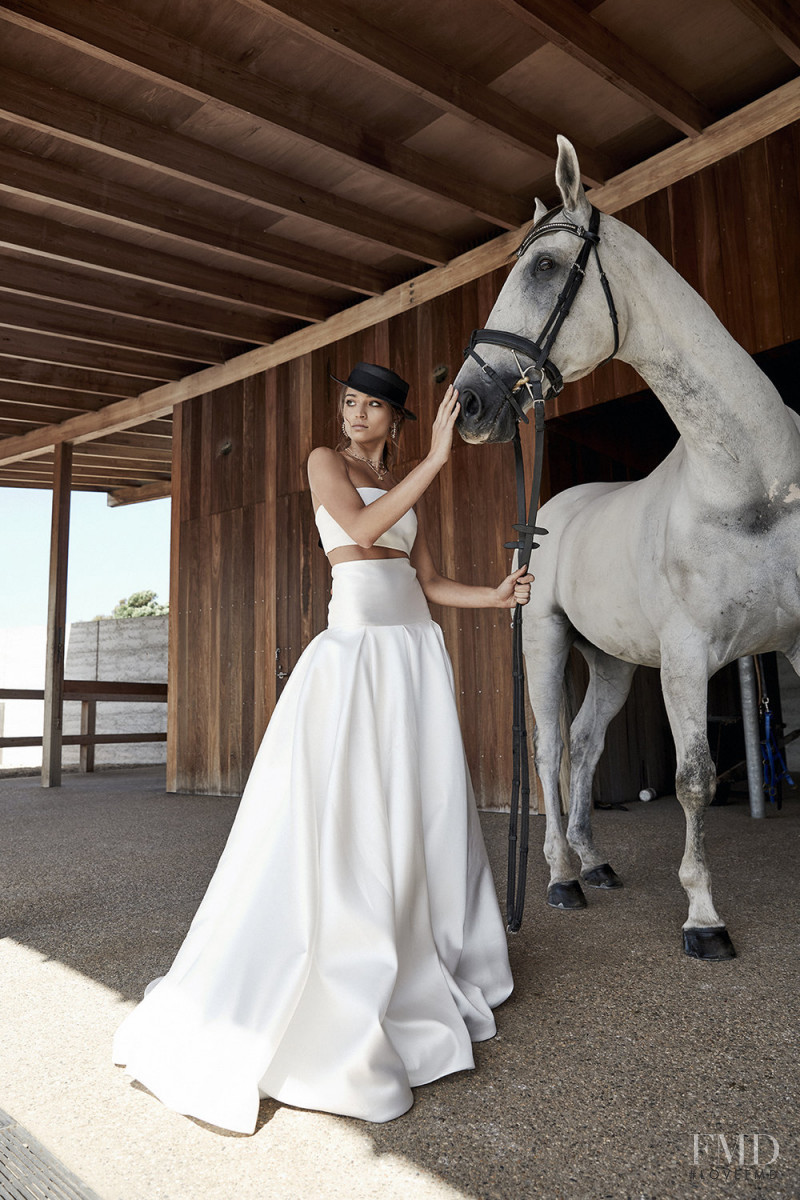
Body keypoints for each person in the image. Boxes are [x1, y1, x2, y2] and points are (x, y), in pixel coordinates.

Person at [113, 362, 533, 1135]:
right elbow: (364, 532)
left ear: (395, 419)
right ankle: (344, 953)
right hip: (356, 658)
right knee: (346, 816)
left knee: (422, 806)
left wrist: (494, 596)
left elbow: (426, 578)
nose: (355, 416)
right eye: (349, 402)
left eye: (372, 407)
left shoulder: (404, 478)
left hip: (413, 654)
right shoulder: (324, 464)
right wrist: (441, 460)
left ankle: (422, 938)